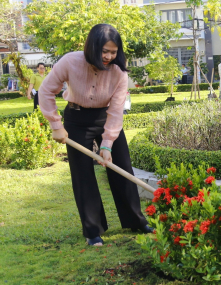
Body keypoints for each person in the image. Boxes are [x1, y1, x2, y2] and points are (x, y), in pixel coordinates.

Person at [38, 24, 152, 247]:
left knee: (122, 168)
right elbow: (46, 90)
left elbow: (117, 109)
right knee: (83, 174)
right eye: (104, 51)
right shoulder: (70, 61)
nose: (109, 56)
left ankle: (135, 221)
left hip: (105, 118)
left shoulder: (119, 71)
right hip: (76, 119)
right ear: (92, 47)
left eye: (114, 51)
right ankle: (93, 230)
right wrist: (55, 124)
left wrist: (107, 144)